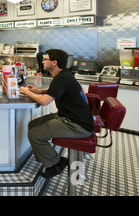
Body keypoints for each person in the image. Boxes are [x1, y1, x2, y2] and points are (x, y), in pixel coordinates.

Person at [19, 49, 94, 179]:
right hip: (73, 119)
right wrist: (37, 90)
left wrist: (27, 92)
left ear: (54, 62)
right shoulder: (63, 75)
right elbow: (55, 89)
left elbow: (44, 101)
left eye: (45, 59)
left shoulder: (61, 78)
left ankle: (55, 164)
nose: (42, 61)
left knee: (34, 134)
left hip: (77, 125)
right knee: (33, 124)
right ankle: (50, 159)